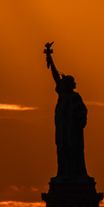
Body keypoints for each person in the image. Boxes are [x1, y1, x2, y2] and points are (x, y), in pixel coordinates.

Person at [44, 42, 88, 179]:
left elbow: (82, 113)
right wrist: (50, 58)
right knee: (62, 150)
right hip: (62, 129)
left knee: (73, 151)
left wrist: (75, 118)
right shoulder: (63, 95)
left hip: (72, 131)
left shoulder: (75, 97)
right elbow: (56, 76)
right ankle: (63, 173)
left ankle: (76, 175)